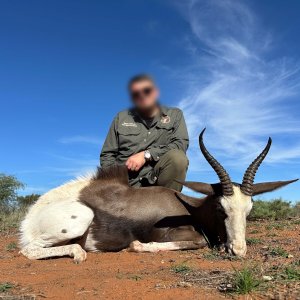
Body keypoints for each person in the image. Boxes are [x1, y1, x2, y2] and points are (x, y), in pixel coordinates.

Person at [100, 74, 189, 191]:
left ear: (155, 92)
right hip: (123, 184)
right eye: (136, 94)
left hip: (155, 180)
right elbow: (107, 155)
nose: (142, 95)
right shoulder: (121, 117)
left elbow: (180, 144)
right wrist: (115, 182)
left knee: (178, 158)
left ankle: (167, 206)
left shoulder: (175, 115)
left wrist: (146, 155)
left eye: (146, 91)